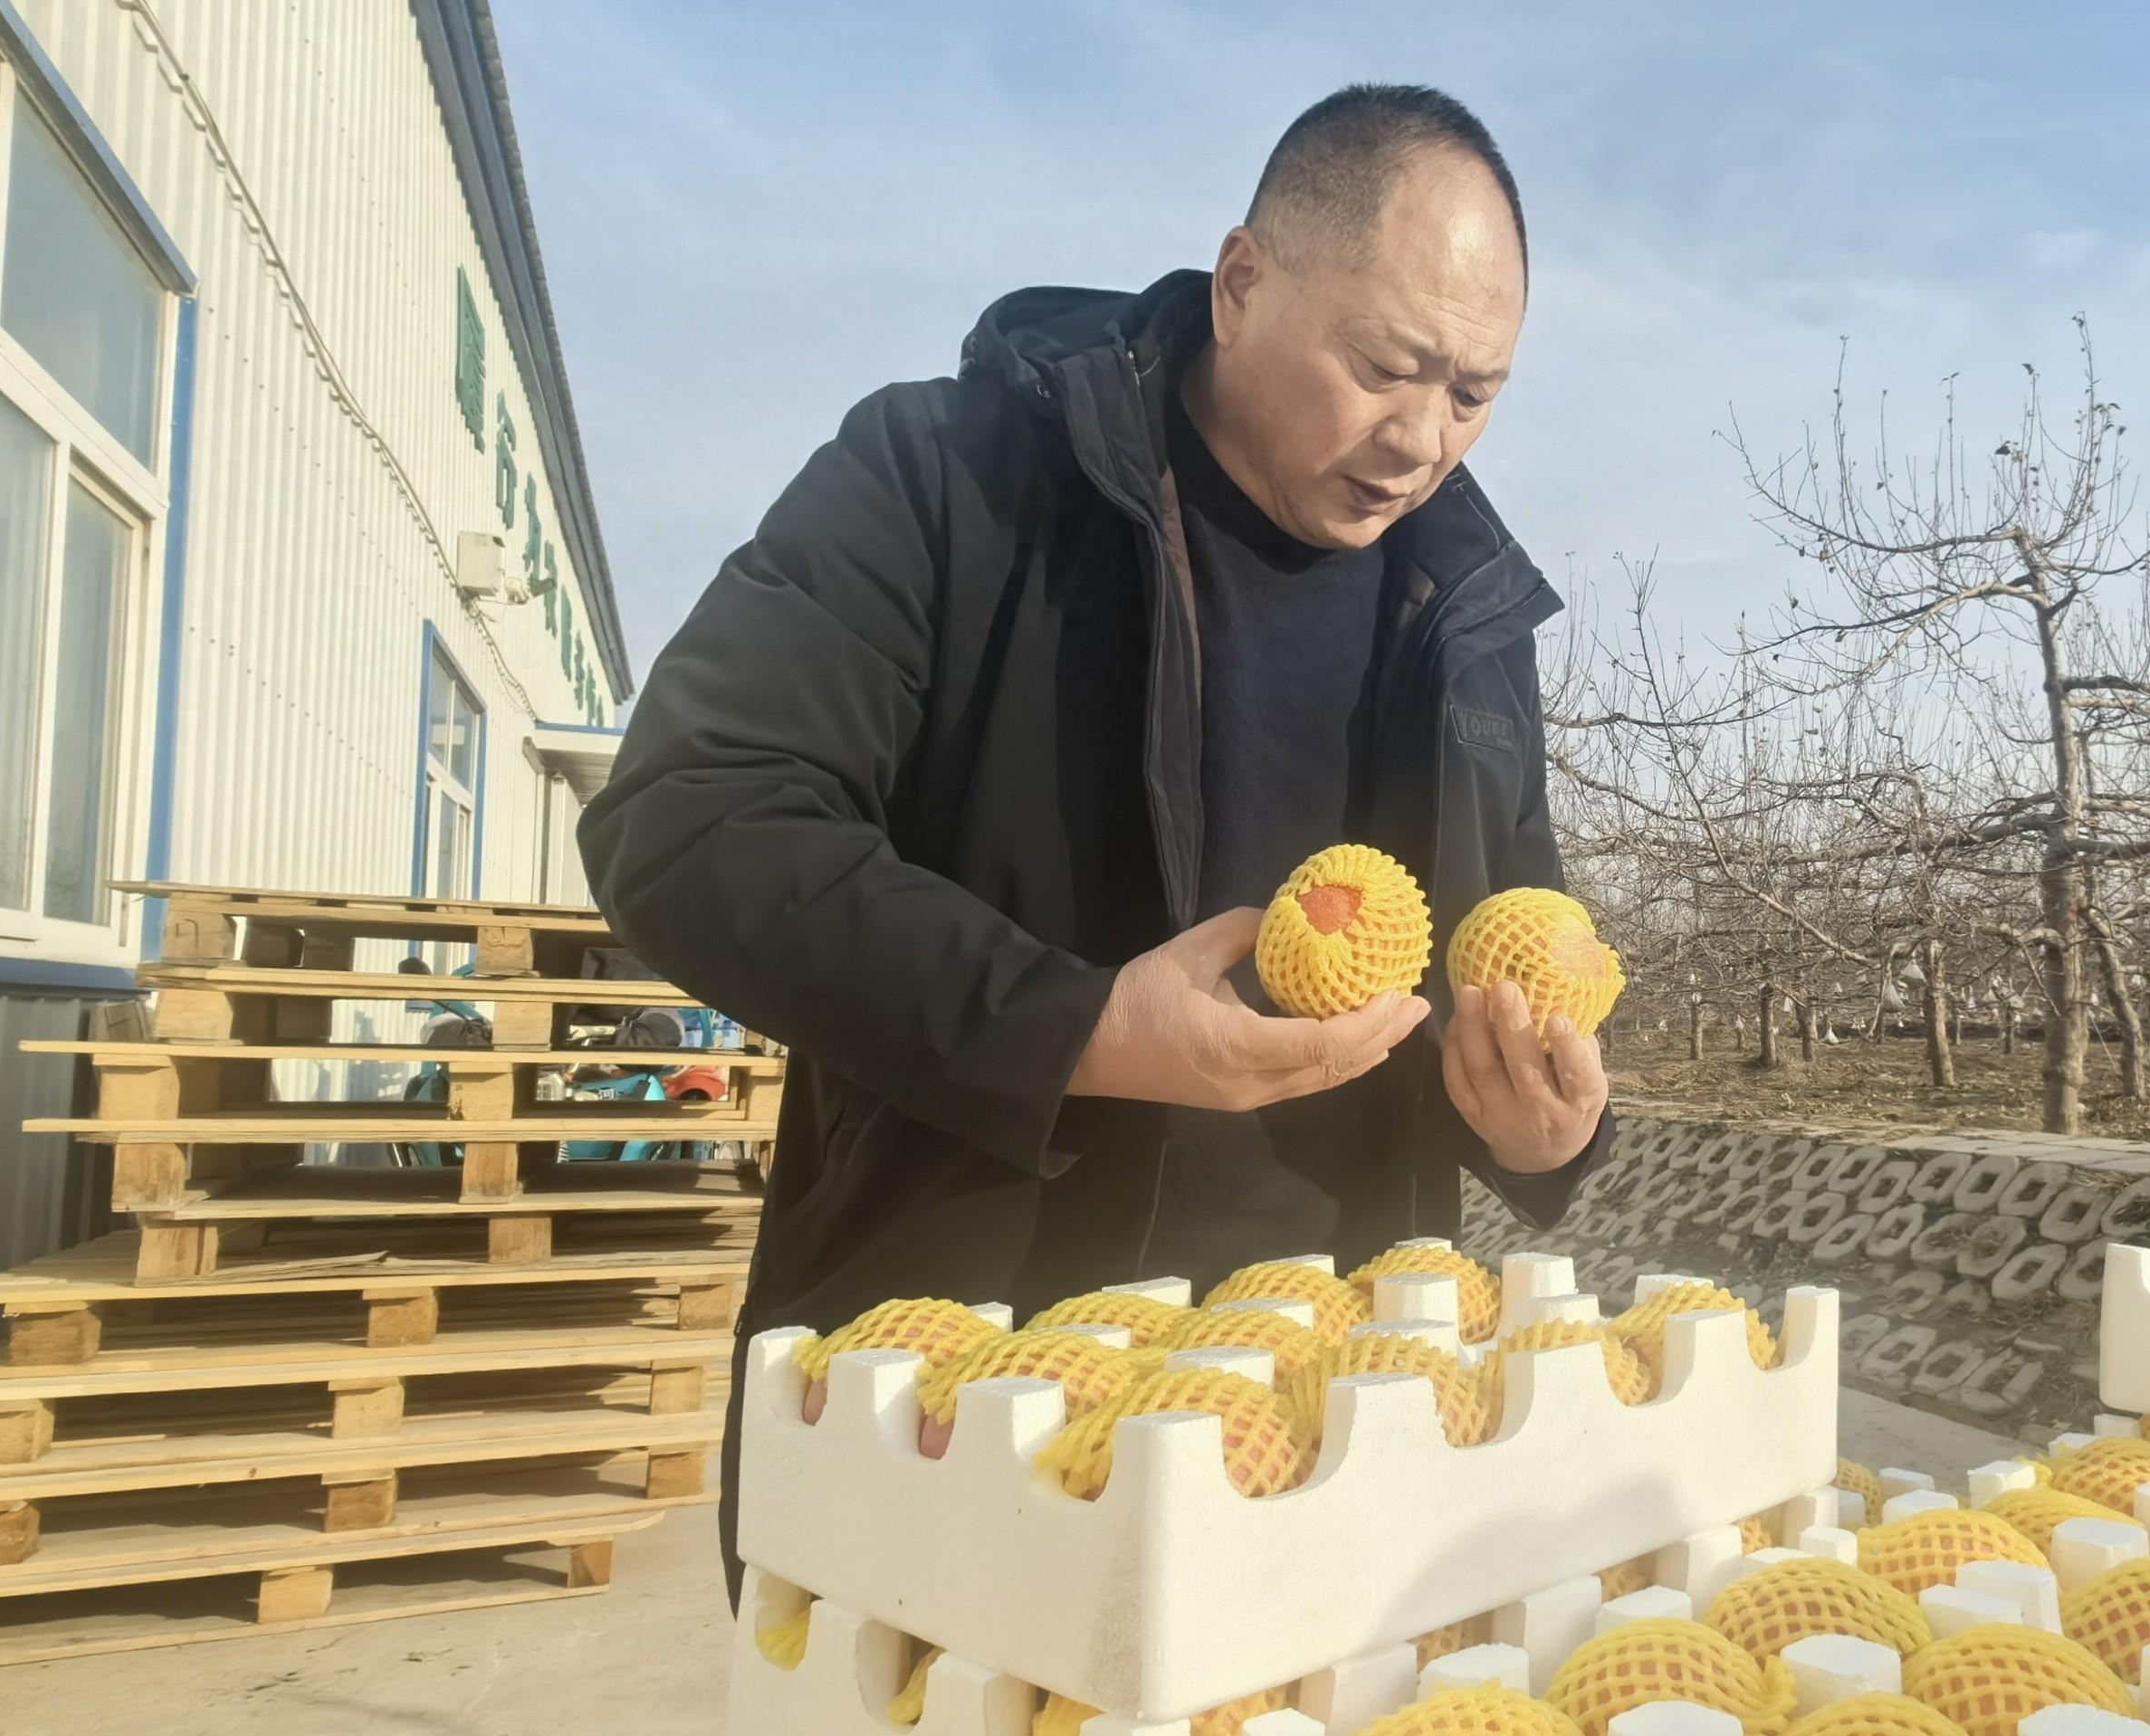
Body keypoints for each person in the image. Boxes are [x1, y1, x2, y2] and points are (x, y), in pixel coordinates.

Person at [577, 84, 1613, 1590]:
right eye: (1387, 367)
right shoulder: (952, 481)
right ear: (1245, 280)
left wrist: (1544, 1133)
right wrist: (1076, 1032)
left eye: (1475, 393)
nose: (1420, 441)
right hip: (962, 1385)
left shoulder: (1461, 612)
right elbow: (691, 816)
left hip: (1331, 1432)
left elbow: (1513, 955)